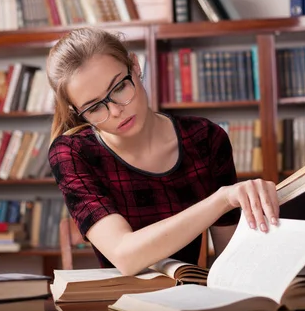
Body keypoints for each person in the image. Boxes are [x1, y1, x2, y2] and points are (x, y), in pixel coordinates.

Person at [47, 27, 279, 276]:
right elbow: (125, 256)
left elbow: (232, 258)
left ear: (135, 67)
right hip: (121, 305)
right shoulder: (72, 153)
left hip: (193, 299)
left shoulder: (205, 138)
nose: (115, 111)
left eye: (118, 88)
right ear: (76, 111)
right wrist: (222, 200)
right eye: (94, 108)